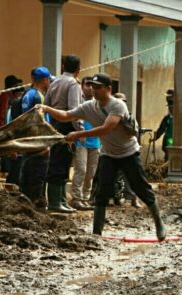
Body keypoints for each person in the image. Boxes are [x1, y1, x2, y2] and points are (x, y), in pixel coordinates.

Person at [40, 73, 165, 239]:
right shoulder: (88, 106)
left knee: (141, 188)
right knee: (101, 192)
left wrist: (78, 134)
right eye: (92, 87)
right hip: (108, 155)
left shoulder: (118, 105)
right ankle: (96, 233)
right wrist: (46, 108)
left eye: (98, 88)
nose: (94, 90)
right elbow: (65, 115)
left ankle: (159, 224)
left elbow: (107, 128)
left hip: (128, 153)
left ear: (109, 89)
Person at [44, 54, 82, 213]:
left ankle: (61, 199)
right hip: (66, 125)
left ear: (63, 67)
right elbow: (74, 110)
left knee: (59, 162)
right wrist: (79, 130)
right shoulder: (73, 84)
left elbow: (46, 103)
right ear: (78, 70)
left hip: (54, 123)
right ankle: (54, 202)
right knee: (61, 163)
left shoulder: (55, 82)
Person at [17, 67, 52, 208]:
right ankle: (36, 207)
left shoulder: (27, 95)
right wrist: (46, 143)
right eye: (49, 79)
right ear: (44, 80)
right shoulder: (38, 97)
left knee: (27, 174)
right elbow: (39, 121)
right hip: (38, 142)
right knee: (38, 177)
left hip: (28, 141)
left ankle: (25, 204)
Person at [70, 76, 101, 211]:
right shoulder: (79, 102)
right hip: (81, 142)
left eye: (92, 85)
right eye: (87, 84)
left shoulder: (98, 104)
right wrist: (80, 131)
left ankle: (85, 198)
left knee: (91, 173)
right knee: (81, 170)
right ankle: (76, 198)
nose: (90, 87)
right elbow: (74, 118)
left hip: (96, 142)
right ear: (82, 86)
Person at [154, 89, 174, 162]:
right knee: (168, 159)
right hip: (168, 142)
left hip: (177, 144)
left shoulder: (181, 119)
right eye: (169, 107)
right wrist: (155, 137)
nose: (170, 108)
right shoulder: (167, 118)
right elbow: (161, 129)